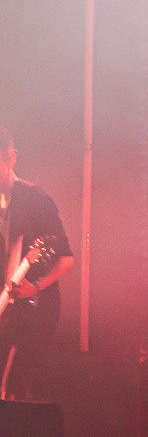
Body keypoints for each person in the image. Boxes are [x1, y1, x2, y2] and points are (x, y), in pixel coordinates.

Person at [0, 125, 75, 401]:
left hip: (36, 310)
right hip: (6, 310)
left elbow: (66, 258)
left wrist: (37, 286)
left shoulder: (36, 200)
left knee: (16, 389)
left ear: (12, 157)